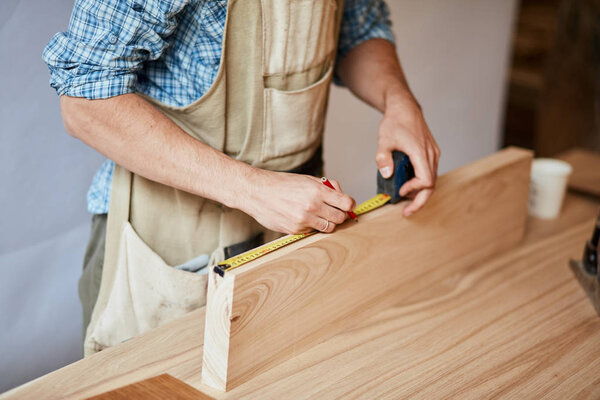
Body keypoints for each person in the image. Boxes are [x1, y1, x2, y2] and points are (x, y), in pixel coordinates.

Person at [43, 0, 440, 356]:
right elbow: (84, 99)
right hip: (165, 252)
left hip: (292, 236)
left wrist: (398, 100)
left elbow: (359, 30)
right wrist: (253, 189)